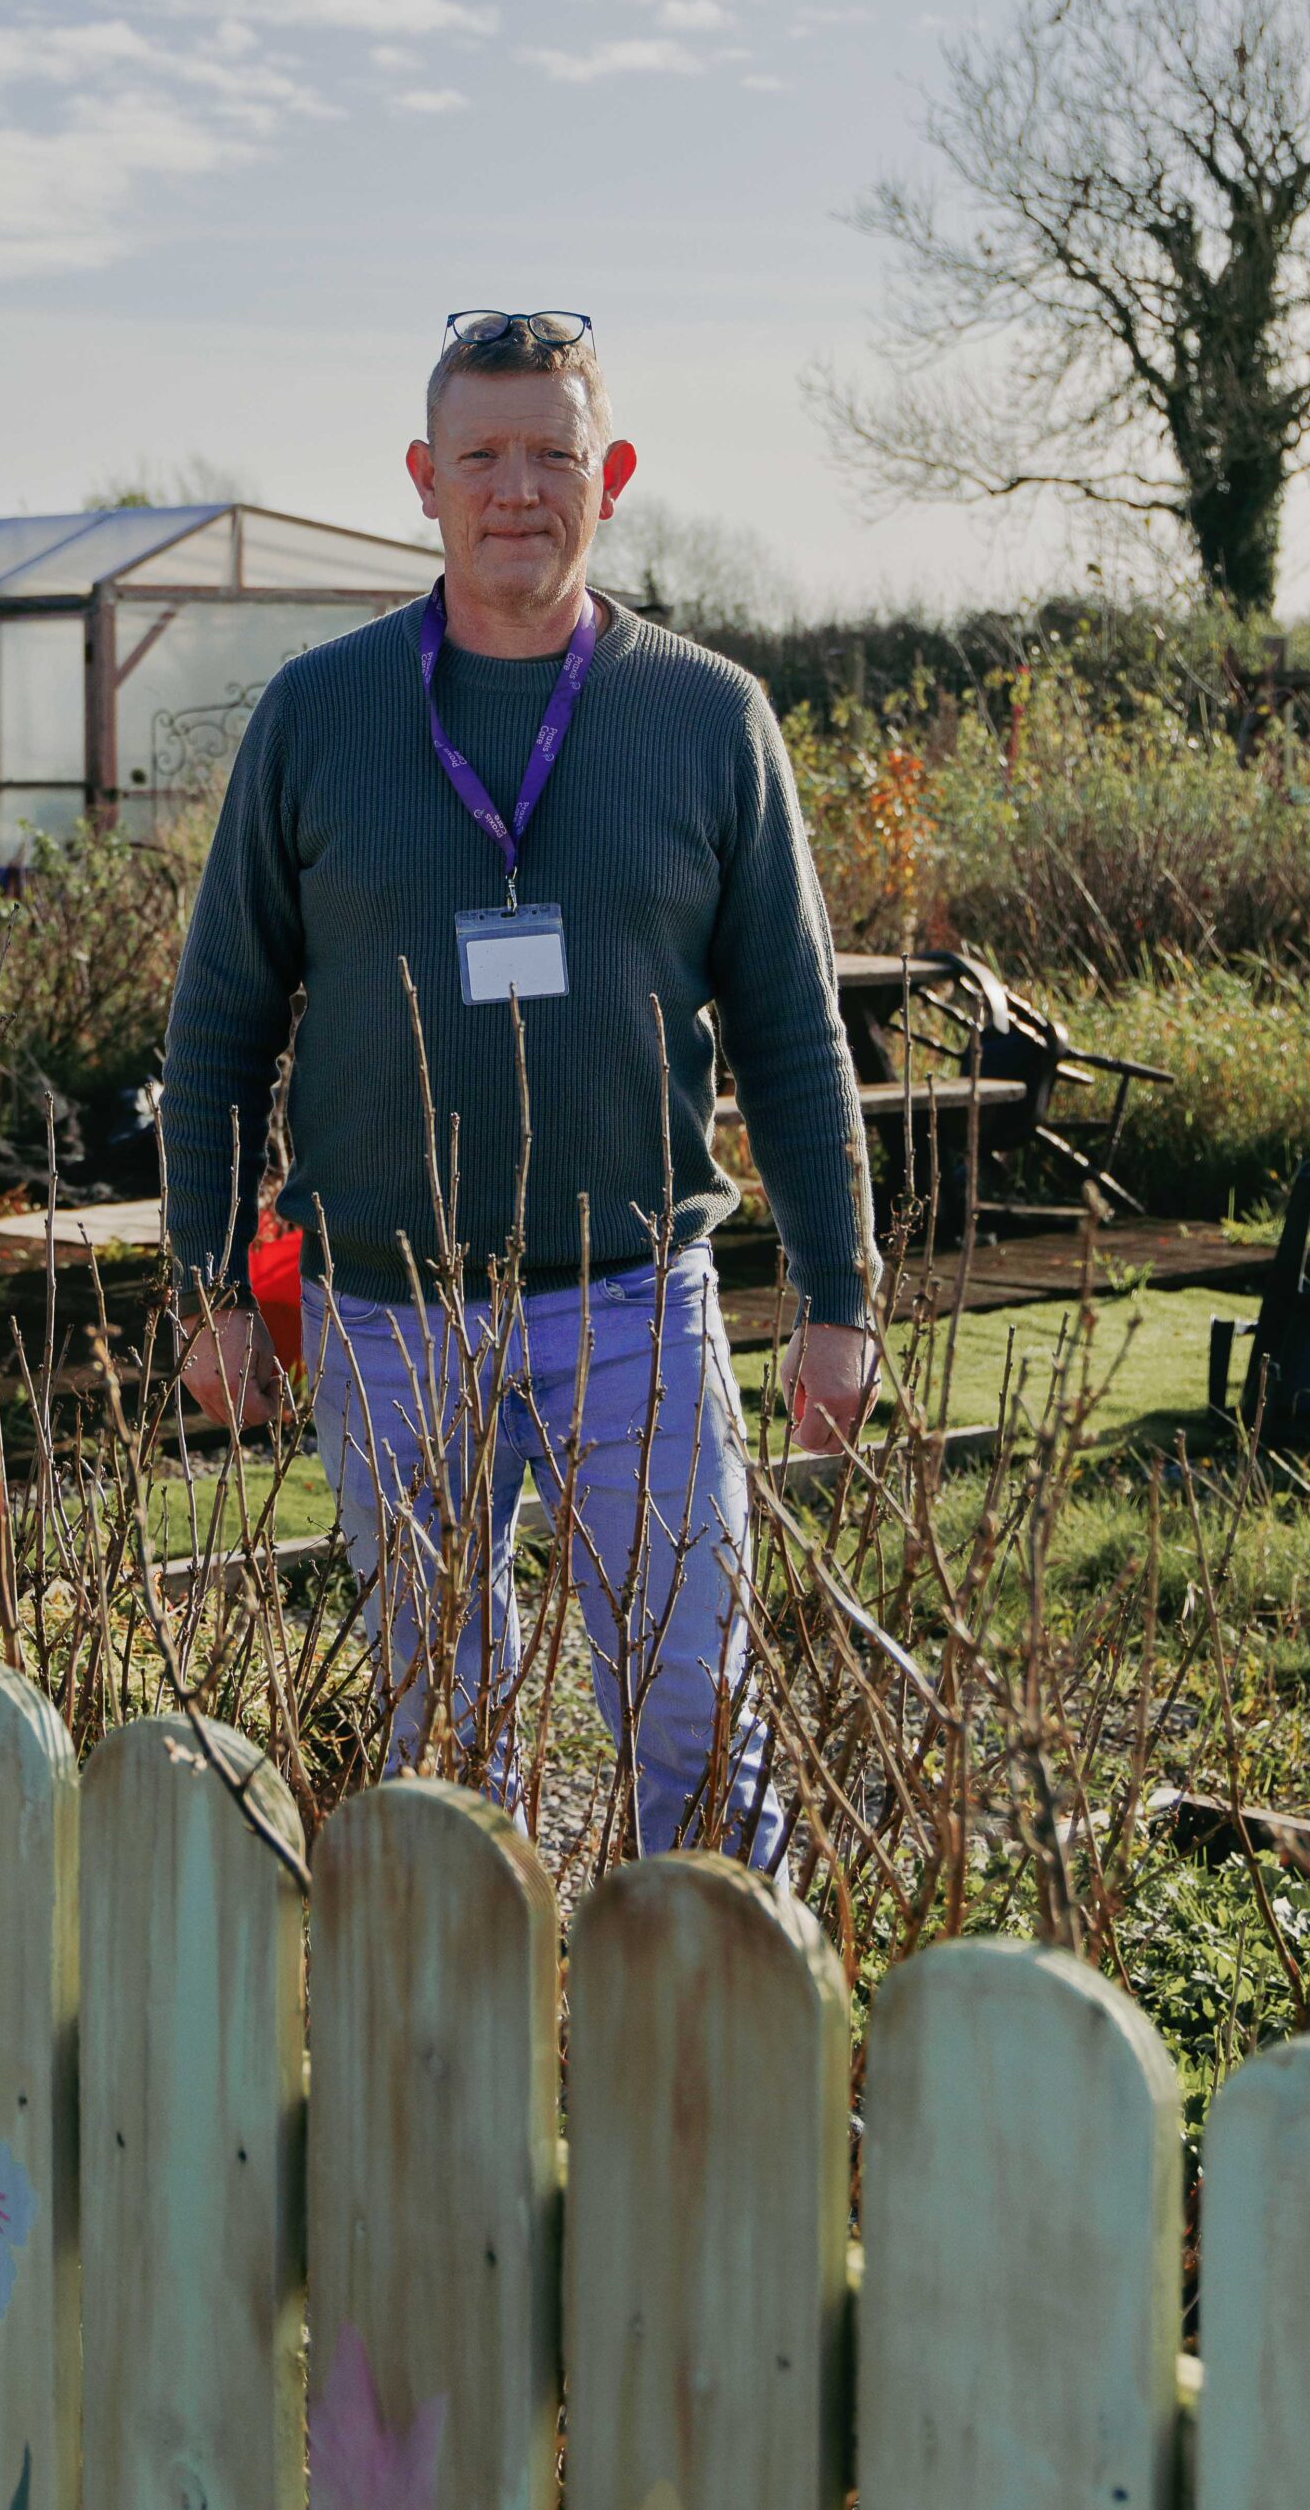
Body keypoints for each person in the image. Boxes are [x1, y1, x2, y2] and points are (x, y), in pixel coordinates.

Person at [162, 309, 882, 1861]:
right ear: (422, 478)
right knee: (446, 1734)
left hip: (635, 1301)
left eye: (552, 452)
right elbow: (219, 1022)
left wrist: (841, 1294)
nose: (517, 489)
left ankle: (729, 2057)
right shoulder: (317, 714)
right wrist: (216, 1281)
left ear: (609, 475)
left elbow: (793, 1030)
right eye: (481, 454)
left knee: (694, 1712)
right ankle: (477, 2067)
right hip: (384, 1311)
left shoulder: (706, 716)